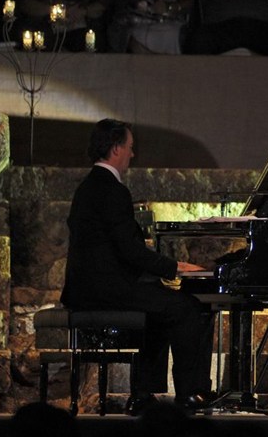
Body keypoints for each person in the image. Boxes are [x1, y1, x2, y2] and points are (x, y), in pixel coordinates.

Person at [60, 119, 214, 415]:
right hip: (105, 290)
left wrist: (161, 270)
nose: (132, 155)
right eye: (130, 148)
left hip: (86, 288)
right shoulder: (114, 191)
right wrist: (173, 267)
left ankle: (143, 393)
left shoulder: (88, 187)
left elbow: (115, 248)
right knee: (186, 308)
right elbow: (129, 250)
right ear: (116, 148)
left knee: (158, 304)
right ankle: (189, 394)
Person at [108, 0, 194, 54]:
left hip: (166, 22)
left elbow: (188, 1)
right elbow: (113, 0)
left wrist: (169, 6)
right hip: (133, 22)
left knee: (170, 34)